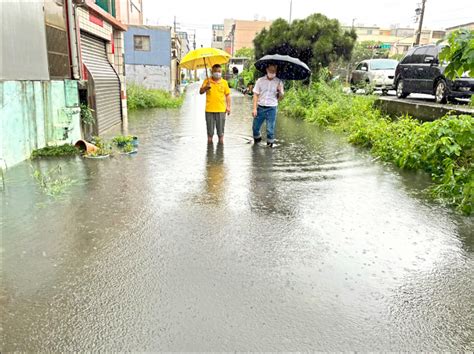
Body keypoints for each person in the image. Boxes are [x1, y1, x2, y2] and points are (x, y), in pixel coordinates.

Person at [252, 64, 284, 148]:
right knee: (255, 128)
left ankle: (269, 149)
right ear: (266, 70)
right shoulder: (260, 81)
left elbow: (280, 98)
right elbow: (255, 94)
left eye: (274, 71)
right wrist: (254, 109)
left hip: (272, 108)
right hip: (260, 107)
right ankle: (257, 144)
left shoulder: (279, 82)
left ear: (276, 71)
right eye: (270, 71)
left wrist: (280, 91)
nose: (272, 73)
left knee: (270, 130)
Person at [199, 64, 231, 144]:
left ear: (221, 72)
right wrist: (206, 87)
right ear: (211, 72)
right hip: (209, 110)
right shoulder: (207, 81)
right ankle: (209, 154)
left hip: (221, 110)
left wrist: (228, 107)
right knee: (210, 134)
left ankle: (220, 155)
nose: (217, 73)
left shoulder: (224, 83)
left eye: (219, 71)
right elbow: (200, 92)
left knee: (221, 134)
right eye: (215, 71)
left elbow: (228, 95)